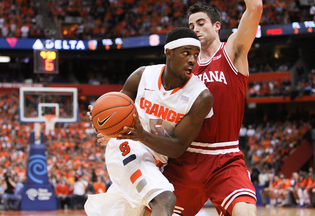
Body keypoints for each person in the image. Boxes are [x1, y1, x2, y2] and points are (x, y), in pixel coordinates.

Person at [84, 27, 213, 216]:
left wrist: (142, 135)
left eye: (196, 54)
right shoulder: (142, 76)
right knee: (165, 199)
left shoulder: (200, 97)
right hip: (128, 145)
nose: (192, 60)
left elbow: (178, 148)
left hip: (156, 157)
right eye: (186, 53)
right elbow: (112, 111)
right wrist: (101, 119)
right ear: (168, 52)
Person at [161, 2, 263, 215]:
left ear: (217, 26)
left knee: (246, 212)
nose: (195, 29)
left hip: (225, 158)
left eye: (201, 23)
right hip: (186, 158)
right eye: (191, 25)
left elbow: (255, 8)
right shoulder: (184, 66)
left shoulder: (232, 51)